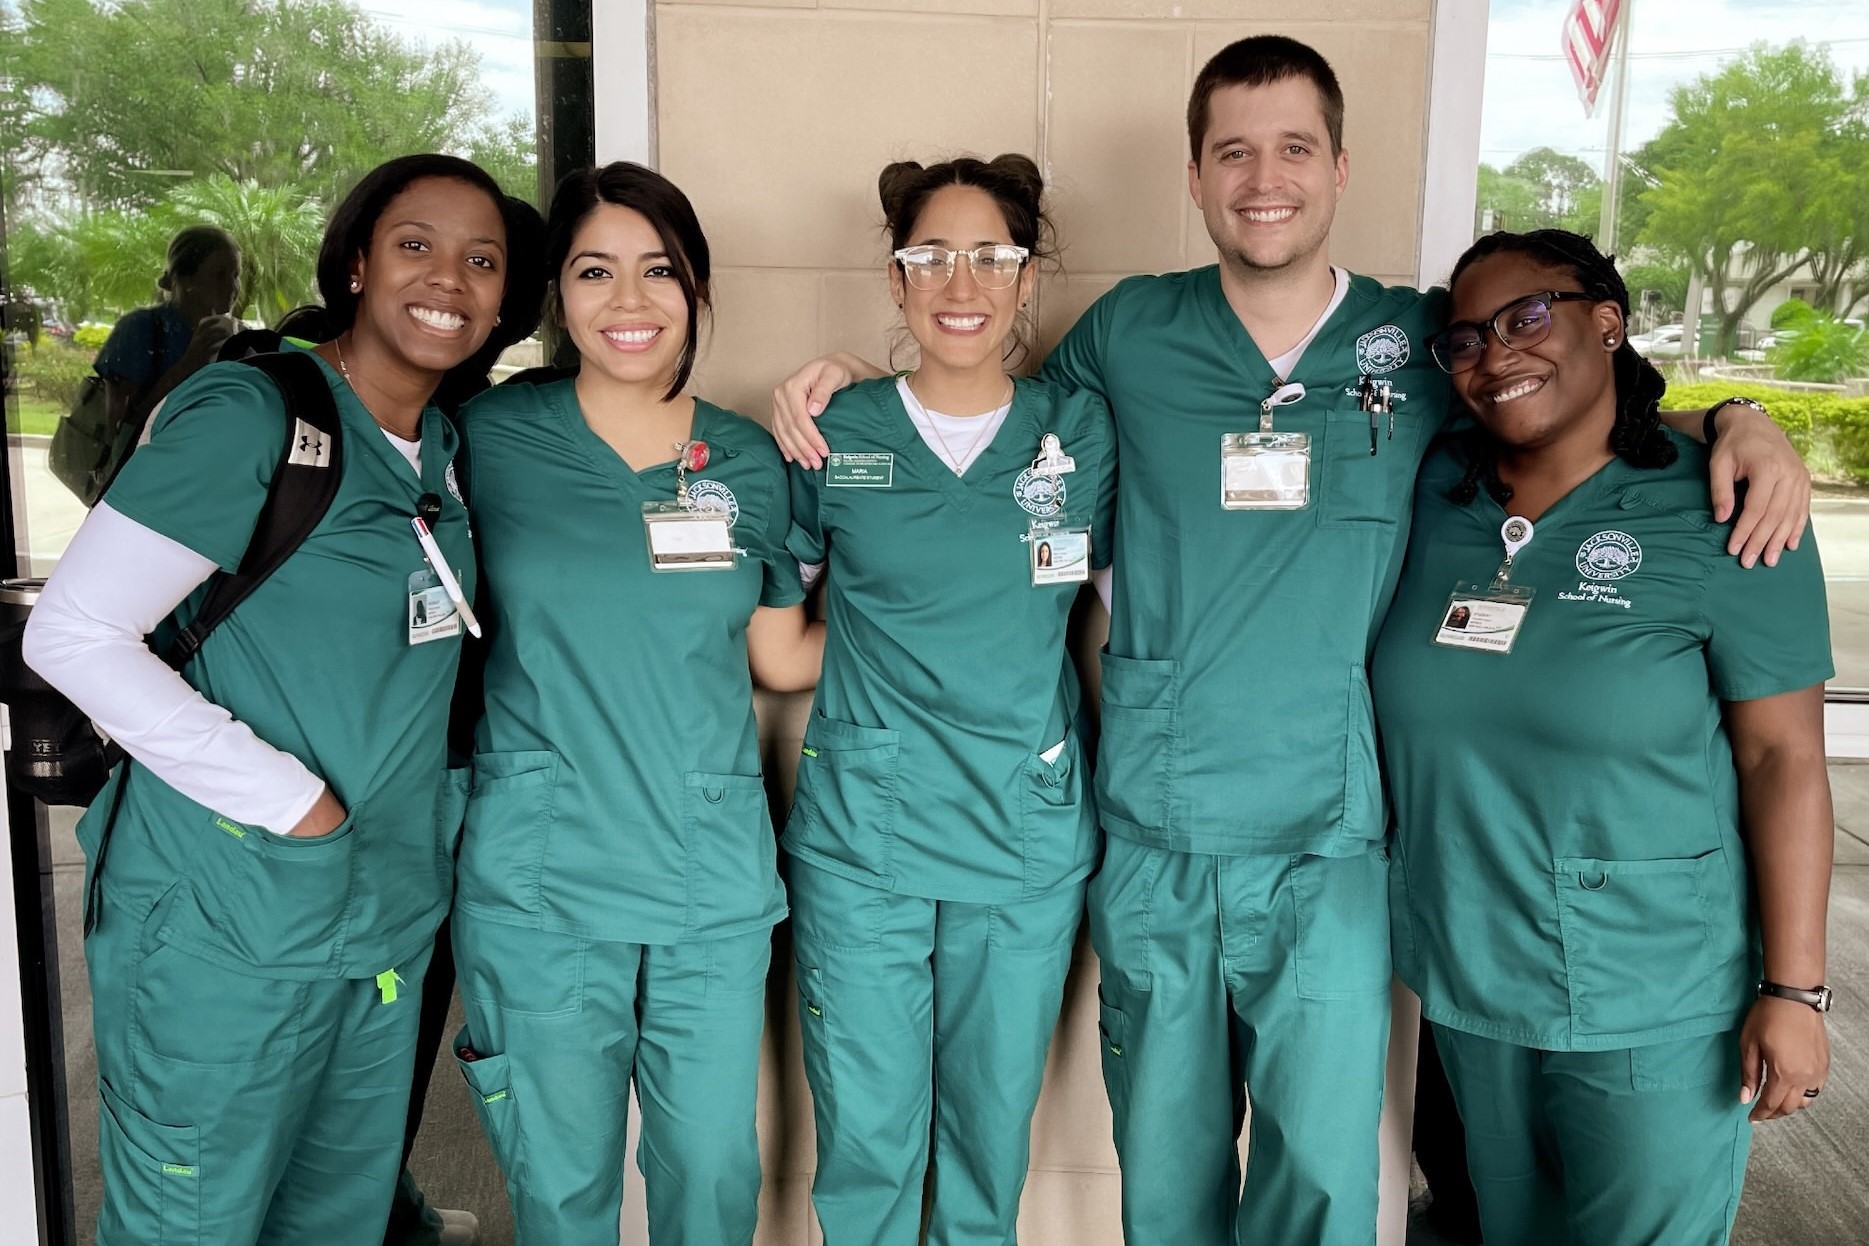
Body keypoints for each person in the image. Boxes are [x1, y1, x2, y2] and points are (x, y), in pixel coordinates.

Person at [766, 36, 1812, 1246]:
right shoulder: (1127, 335)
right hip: (1154, 830)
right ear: (1197, 177)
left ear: (1340, 167)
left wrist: (1737, 417)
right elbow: (982, 410)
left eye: (1294, 148)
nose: (1266, 178)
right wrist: (848, 382)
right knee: (1164, 1168)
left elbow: (1557, 393)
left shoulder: (1419, 342)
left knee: (1319, 1172)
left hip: (1330, 843)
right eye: (1235, 152)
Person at [22, 153, 544, 1245]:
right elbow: (73, 633)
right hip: (229, 920)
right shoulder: (256, 416)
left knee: (336, 1219)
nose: (447, 276)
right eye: (416, 245)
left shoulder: (442, 449)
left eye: (480, 259)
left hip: (380, 928)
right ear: (356, 263)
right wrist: (289, 800)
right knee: (195, 1221)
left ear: (503, 298)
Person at [1376, 227, 1833, 1245]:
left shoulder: (1724, 506)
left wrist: (1795, 989)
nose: (1496, 353)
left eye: (1527, 317)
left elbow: (1784, 759)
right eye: (1464, 340)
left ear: (1607, 321)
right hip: (1470, 980)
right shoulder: (1437, 488)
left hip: (1655, 995)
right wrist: (1732, 407)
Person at [448, 161, 821, 1245]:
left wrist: (944, 617)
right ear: (557, 294)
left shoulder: (748, 457)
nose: (629, 302)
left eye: (659, 271)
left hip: (707, 880)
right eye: (595, 271)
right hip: (541, 882)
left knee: (710, 1172)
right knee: (563, 1189)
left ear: (696, 287)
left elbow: (783, 654)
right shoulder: (489, 439)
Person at [783, 153, 1115, 1245]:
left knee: (986, 1143)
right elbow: (777, 644)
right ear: (895, 278)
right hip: (865, 842)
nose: (959, 283)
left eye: (991, 256)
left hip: (1022, 837)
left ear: (1027, 281)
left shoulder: (1085, 434)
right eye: (930, 256)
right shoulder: (835, 432)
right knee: (870, 1143)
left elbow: (1128, 610)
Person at [93, 225, 243, 438]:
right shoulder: (140, 329)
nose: (232, 286)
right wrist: (189, 364)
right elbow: (119, 427)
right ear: (186, 279)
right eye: (219, 275)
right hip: (150, 464)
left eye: (235, 275)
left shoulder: (238, 336)